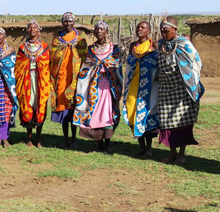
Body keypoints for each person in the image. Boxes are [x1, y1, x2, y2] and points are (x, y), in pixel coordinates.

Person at [157, 16, 204, 165]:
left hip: (182, 90)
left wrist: (190, 80)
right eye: (162, 31)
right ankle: (171, 154)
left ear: (175, 29)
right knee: (167, 123)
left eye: (167, 31)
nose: (164, 34)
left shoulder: (184, 44)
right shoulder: (162, 45)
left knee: (182, 122)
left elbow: (196, 62)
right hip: (165, 90)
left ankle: (182, 155)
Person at [73, 21, 123, 153]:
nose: (99, 31)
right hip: (93, 86)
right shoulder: (90, 49)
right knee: (94, 113)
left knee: (107, 114)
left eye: (102, 29)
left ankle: (108, 144)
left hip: (108, 86)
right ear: (94, 32)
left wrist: (103, 65)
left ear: (107, 31)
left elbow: (116, 64)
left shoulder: (114, 48)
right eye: (97, 29)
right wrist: (96, 67)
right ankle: (98, 144)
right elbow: (87, 66)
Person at [49, 12, 87, 149]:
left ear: (74, 22)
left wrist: (74, 49)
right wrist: (65, 49)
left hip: (75, 78)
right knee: (63, 108)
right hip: (61, 78)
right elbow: (54, 55)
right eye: (65, 21)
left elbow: (84, 55)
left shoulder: (80, 37)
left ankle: (74, 138)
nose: (68, 23)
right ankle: (65, 139)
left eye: (70, 21)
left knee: (74, 107)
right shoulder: (57, 37)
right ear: (62, 22)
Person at [122, 21, 159, 158]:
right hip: (133, 84)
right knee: (132, 111)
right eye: (138, 27)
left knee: (145, 114)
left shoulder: (153, 45)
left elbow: (157, 62)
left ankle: (149, 148)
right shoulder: (133, 45)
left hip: (148, 86)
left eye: (143, 27)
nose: (139, 29)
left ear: (148, 31)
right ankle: (141, 146)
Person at [15, 20, 51, 147]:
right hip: (26, 80)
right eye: (30, 27)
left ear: (39, 31)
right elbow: (18, 67)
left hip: (41, 81)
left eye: (35, 27)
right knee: (27, 106)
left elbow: (47, 65)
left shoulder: (45, 47)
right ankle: (29, 138)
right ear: (27, 31)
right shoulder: (22, 48)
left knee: (40, 107)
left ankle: (39, 138)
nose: (32, 29)